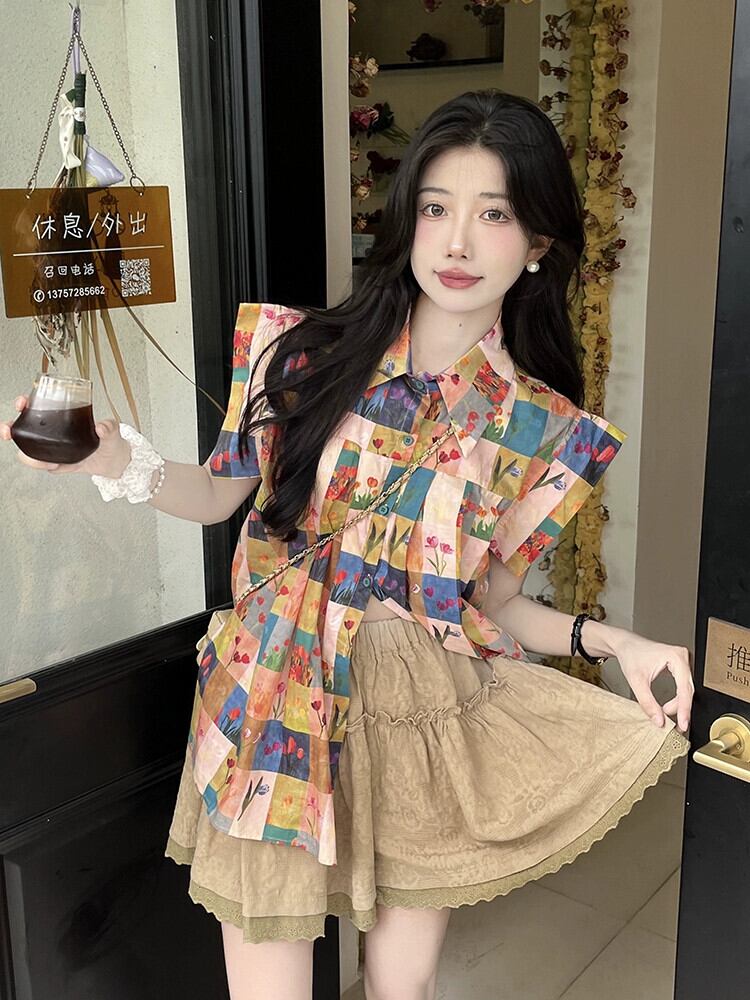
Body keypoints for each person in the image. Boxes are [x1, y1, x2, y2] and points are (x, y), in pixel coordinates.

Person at [1, 89, 694, 1000]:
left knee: (401, 989)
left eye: (494, 215)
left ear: (537, 243)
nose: (457, 243)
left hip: (420, 714)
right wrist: (107, 456)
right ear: (408, 220)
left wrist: (614, 641)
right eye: (437, 208)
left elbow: (490, 602)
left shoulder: (545, 429)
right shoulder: (301, 352)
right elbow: (216, 495)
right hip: (274, 692)